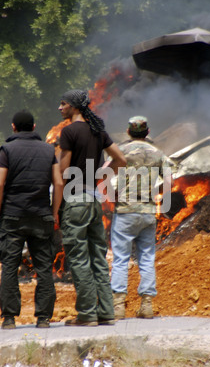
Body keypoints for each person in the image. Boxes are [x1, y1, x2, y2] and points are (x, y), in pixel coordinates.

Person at [58, 89, 126, 326]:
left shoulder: (68, 132)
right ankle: (106, 312)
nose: (60, 108)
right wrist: (99, 178)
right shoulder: (98, 131)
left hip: (74, 200)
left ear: (74, 107)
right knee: (98, 256)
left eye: (63, 103)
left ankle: (87, 314)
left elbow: (63, 174)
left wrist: (56, 206)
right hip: (94, 200)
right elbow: (121, 160)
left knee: (78, 258)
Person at [0, 110, 64, 329]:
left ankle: (9, 319)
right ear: (34, 127)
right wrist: (53, 213)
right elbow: (59, 183)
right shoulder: (48, 149)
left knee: (10, 266)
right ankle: (43, 319)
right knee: (44, 268)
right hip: (41, 216)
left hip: (12, 216)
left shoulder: (7, 149)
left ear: (13, 127)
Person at [110, 116, 172, 319]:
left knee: (120, 259)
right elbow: (169, 181)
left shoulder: (120, 151)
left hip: (125, 211)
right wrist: (157, 192)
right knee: (146, 258)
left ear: (128, 132)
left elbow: (106, 176)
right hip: (147, 211)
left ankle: (118, 306)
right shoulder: (158, 153)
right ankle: (146, 305)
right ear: (148, 131)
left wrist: (114, 196)